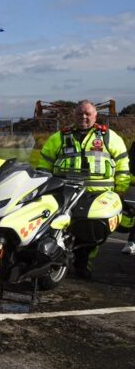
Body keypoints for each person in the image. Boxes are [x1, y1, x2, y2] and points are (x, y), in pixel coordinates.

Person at [37, 100, 131, 278]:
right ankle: (54, 261)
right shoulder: (60, 137)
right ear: (74, 116)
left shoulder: (108, 136)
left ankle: (83, 264)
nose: (84, 117)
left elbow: (122, 163)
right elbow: (45, 163)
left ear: (95, 116)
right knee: (57, 227)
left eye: (88, 114)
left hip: (97, 194)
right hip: (64, 191)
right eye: (80, 113)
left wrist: (121, 189)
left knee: (91, 232)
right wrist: (42, 185)